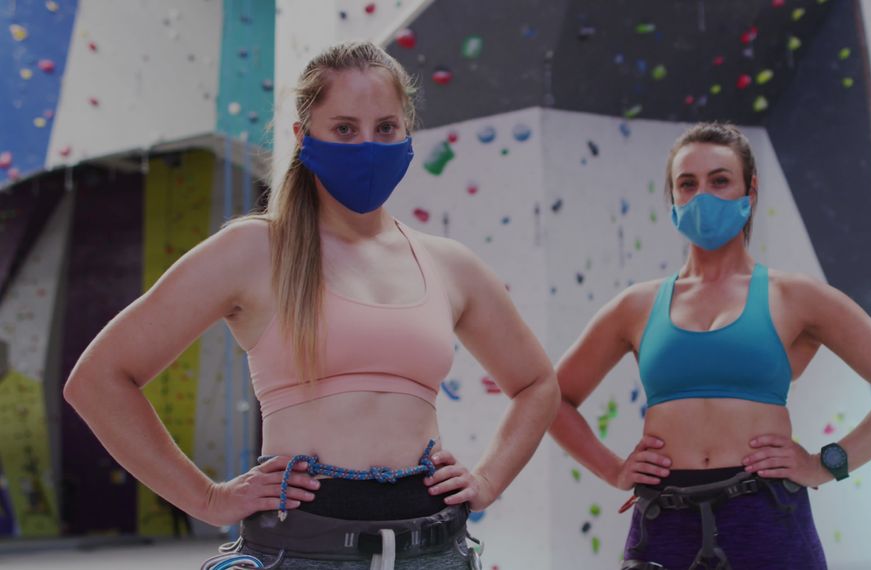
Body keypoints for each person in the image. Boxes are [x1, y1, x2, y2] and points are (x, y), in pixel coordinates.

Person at [64, 41, 560, 569]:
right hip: (300, 550)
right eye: (345, 128)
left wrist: (486, 480)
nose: (368, 145)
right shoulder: (253, 250)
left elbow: (537, 383)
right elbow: (98, 380)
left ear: (407, 133)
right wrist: (206, 499)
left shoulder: (448, 264)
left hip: (434, 549)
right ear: (304, 137)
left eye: (386, 128)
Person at [549, 122, 871, 569]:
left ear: (749, 191)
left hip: (766, 514)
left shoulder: (795, 296)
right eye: (687, 183)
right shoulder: (635, 306)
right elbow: (552, 399)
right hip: (664, 520)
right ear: (672, 197)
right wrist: (613, 469)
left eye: (720, 180)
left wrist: (825, 462)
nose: (703, 196)